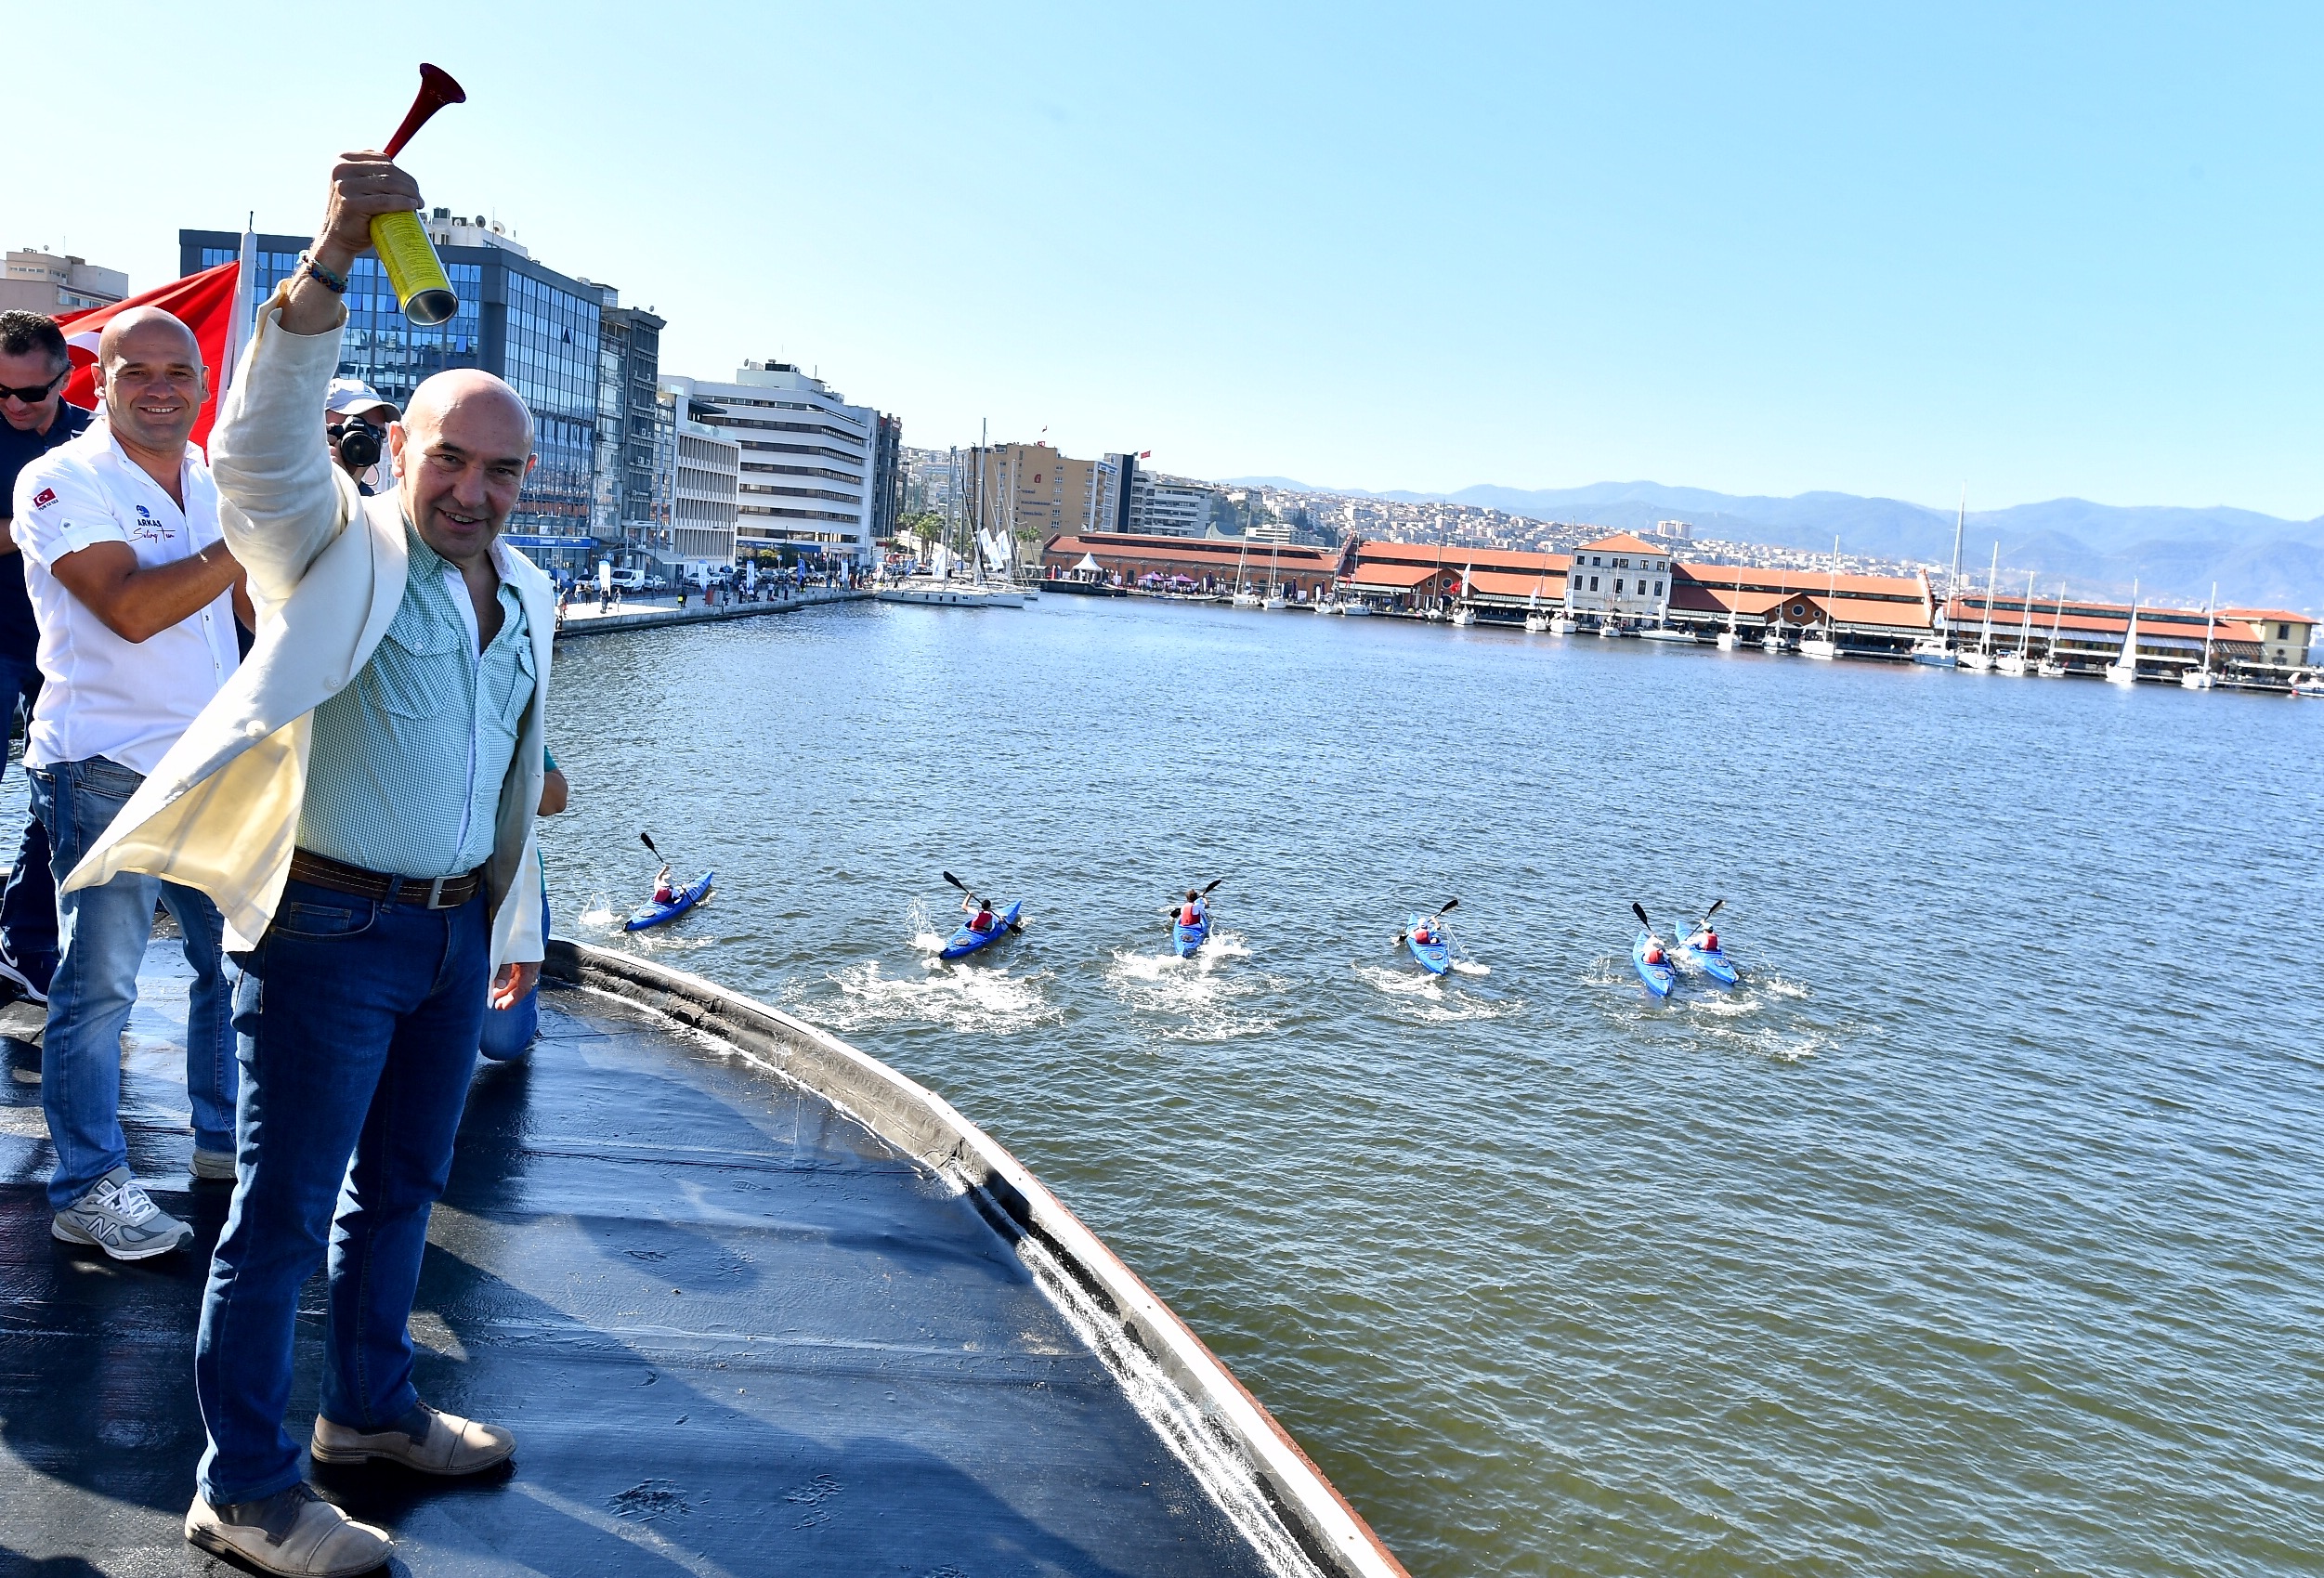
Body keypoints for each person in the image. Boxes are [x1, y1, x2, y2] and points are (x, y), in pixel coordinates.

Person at [65, 151, 553, 1571]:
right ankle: (248, 1486)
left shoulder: (524, 585)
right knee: (279, 1211)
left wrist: (507, 915)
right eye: (449, 458)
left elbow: (506, 763)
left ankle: (371, 1411)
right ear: (401, 452)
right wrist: (335, 256)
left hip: (455, 934)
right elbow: (258, 447)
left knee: (403, 1183)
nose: (472, 488)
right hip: (329, 930)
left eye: (500, 468)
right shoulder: (330, 545)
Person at [14, 306, 251, 1257]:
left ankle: (225, 1142)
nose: (160, 388)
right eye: (136, 370)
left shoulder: (206, 477)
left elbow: (248, 611)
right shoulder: (59, 479)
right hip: (103, 765)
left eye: (178, 372)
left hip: (214, 764)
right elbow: (131, 609)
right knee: (99, 986)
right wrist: (253, 537)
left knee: (230, 969)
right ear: (97, 382)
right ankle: (85, 1185)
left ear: (202, 383)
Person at [0, 310, 91, 1006]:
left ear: (66, 376)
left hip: (66, 642)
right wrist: (47, 517)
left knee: (55, 796)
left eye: (30, 394)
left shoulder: (95, 439)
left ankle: (24, 942)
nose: (12, 405)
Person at [477, 749, 567, 1063]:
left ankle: (530, 1006)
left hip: (514, 893)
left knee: (501, 1045)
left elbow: (556, 801)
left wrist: (505, 768)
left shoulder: (504, 714)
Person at [322, 377, 397, 494]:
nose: (364, 441)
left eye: (378, 434)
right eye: (355, 426)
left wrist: (348, 492)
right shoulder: (287, 483)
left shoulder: (376, 508)